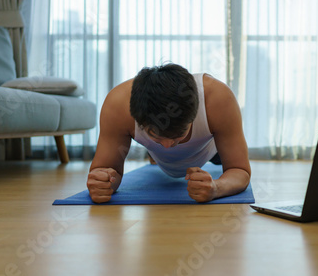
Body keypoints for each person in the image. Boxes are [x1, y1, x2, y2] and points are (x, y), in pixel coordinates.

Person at [87, 63, 251, 203]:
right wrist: (103, 183)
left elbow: (240, 170)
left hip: (207, 147)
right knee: (160, 145)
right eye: (156, 136)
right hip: (153, 151)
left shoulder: (217, 99)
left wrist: (216, 188)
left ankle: (158, 145)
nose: (167, 146)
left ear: (195, 114)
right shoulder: (118, 105)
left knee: (220, 157)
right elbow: (105, 170)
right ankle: (154, 149)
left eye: (178, 135)